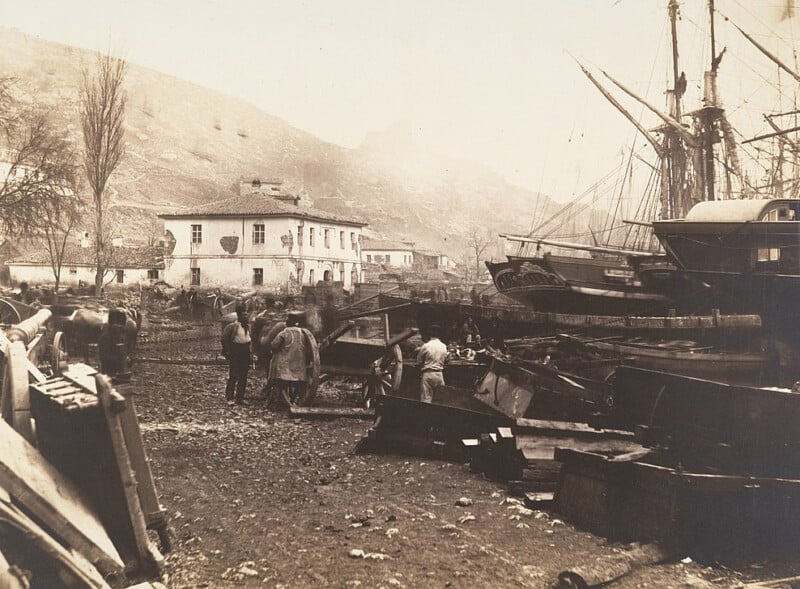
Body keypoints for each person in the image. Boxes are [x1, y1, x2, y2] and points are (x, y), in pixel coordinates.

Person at [269, 312, 311, 405]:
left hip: (285, 366)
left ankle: (280, 398)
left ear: (288, 322)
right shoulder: (304, 334)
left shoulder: (284, 333)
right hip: (299, 366)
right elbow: (309, 350)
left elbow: (274, 345)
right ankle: (297, 400)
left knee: (277, 366)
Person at [221, 304, 252, 405]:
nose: (246, 317)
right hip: (236, 351)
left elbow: (249, 340)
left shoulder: (247, 327)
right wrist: (228, 351)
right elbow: (224, 339)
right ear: (239, 316)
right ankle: (229, 398)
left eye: (247, 315)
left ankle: (240, 398)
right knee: (234, 375)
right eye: (244, 316)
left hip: (245, 351)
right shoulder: (232, 327)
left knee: (244, 375)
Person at [417, 324, 448, 403]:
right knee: (440, 400)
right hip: (439, 374)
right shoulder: (444, 346)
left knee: (426, 399)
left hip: (428, 374)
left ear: (429, 334)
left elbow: (419, 361)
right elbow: (446, 360)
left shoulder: (426, 346)